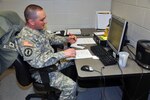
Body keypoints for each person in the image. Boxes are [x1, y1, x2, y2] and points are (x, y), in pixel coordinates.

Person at [15, 4, 77, 100]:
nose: (45, 22)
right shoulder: (24, 39)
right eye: (42, 20)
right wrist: (63, 53)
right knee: (71, 86)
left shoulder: (38, 29)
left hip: (51, 63)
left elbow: (51, 38)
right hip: (42, 72)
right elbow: (37, 62)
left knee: (75, 62)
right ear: (31, 21)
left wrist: (66, 39)